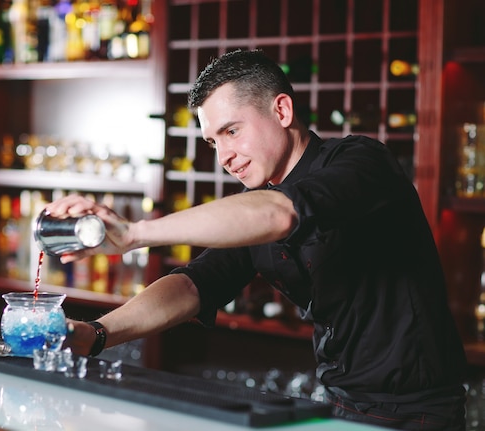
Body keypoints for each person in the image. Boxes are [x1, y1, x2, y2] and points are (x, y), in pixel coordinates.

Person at [44, 49, 467, 430]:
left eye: (231, 131)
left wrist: (134, 234)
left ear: (281, 110)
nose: (223, 155)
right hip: (339, 403)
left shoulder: (361, 162)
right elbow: (194, 284)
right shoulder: (252, 208)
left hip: (418, 412)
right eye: (213, 141)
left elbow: (282, 213)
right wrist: (96, 334)